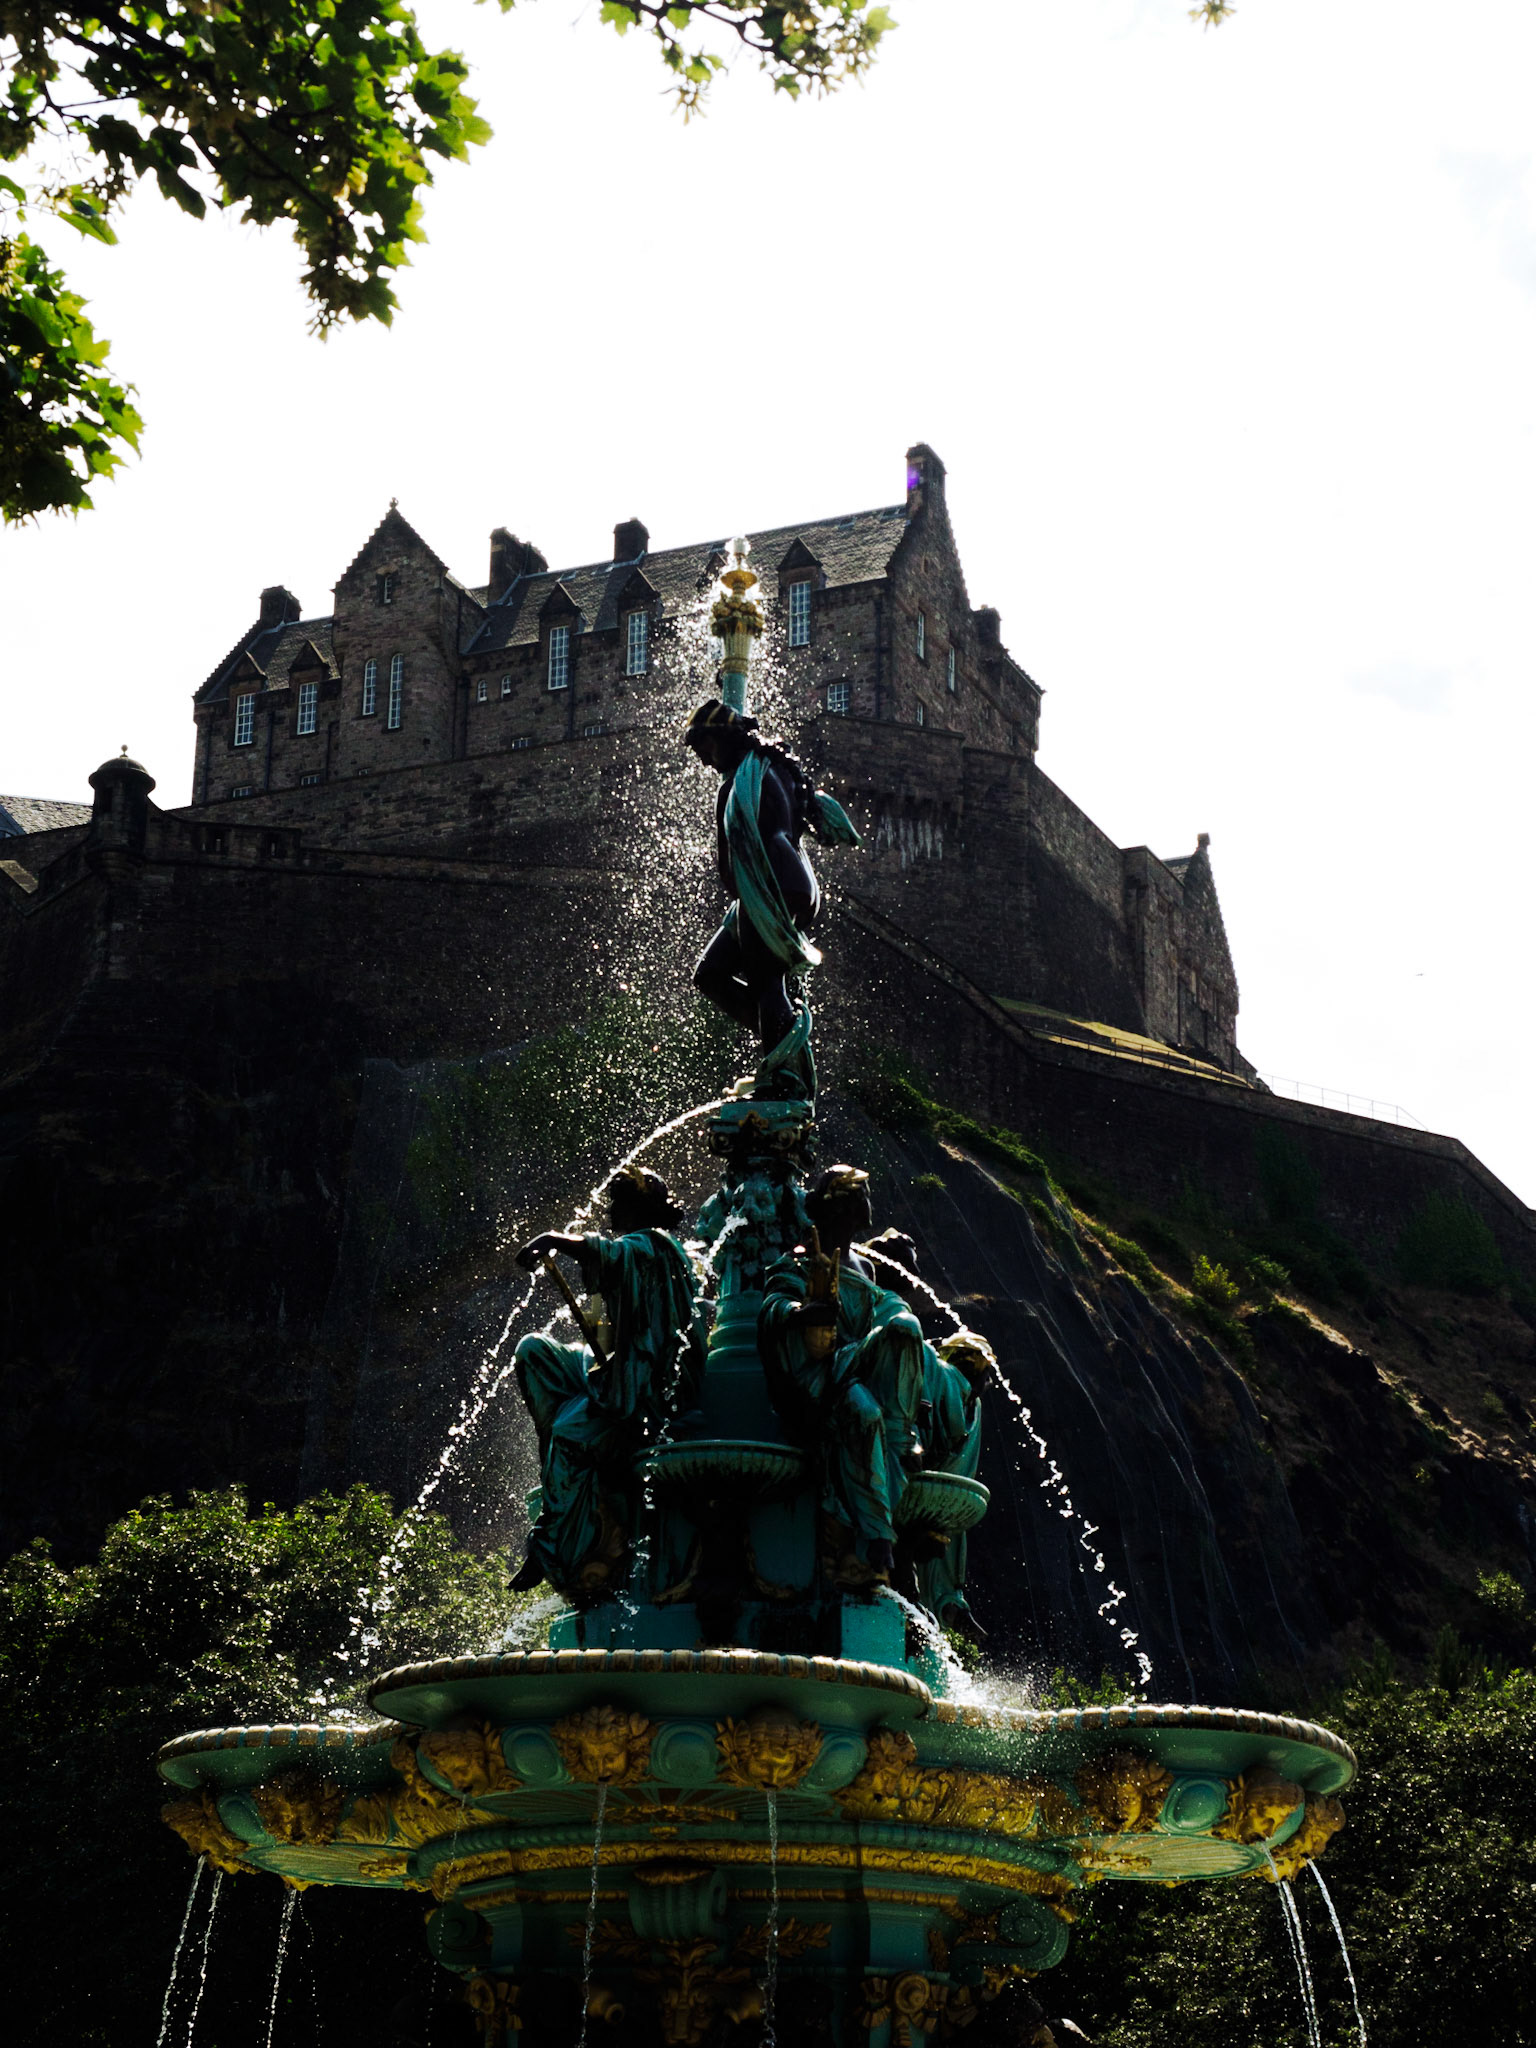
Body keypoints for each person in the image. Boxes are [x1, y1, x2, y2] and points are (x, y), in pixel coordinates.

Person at [509, 1166, 705, 1598]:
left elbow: (608, 1253)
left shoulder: (656, 1246)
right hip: (617, 1374)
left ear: (639, 1208)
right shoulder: (635, 1253)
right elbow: (604, 1326)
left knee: (569, 1431)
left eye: (619, 1203)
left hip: (648, 1391)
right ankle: (563, 1471)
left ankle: (553, 1543)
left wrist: (553, 1240)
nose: (612, 1211)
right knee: (534, 1352)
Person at [757, 1164, 926, 1590]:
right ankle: (877, 1535)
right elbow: (772, 1304)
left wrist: (899, 1377)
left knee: (905, 1329)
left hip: (849, 1359)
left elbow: (872, 1325)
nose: (868, 1207)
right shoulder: (802, 1254)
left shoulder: (864, 1268)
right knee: (863, 1412)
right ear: (843, 1207)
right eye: (862, 1198)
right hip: (814, 1371)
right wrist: (801, 1312)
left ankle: (903, 1435)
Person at [683, 698, 858, 1083]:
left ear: (723, 737)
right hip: (790, 884)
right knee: (711, 974)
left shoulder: (744, 779)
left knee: (765, 983)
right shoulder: (772, 768)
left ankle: (783, 1074)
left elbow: (730, 860)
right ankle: (785, 1047)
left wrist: (738, 886)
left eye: (705, 749)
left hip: (772, 886)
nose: (705, 762)